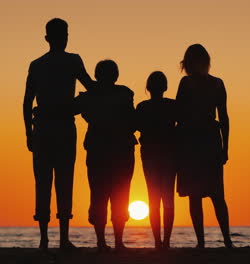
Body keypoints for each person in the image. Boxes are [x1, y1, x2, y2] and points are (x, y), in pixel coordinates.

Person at [23, 18, 96, 250]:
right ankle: (54, 239)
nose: (64, 39)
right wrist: (83, 101)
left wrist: (28, 131)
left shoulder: (38, 64)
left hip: (48, 127)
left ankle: (50, 239)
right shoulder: (70, 61)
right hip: (59, 127)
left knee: (47, 181)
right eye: (63, 35)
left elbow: (27, 101)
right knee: (61, 181)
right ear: (53, 38)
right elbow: (91, 87)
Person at [175, 44, 233, 248]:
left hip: (196, 141)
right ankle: (224, 241)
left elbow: (179, 115)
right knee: (211, 194)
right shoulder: (216, 83)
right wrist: (225, 147)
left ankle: (209, 242)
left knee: (202, 195)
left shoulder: (190, 83)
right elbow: (223, 118)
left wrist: (225, 148)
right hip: (205, 140)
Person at [75, 60, 137, 251]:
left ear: (96, 75)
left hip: (99, 150)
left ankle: (102, 241)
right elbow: (133, 120)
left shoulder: (91, 96)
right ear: (116, 75)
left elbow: (70, 108)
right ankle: (117, 241)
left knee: (99, 195)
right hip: (120, 151)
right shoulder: (125, 94)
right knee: (120, 194)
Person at [136, 72, 177, 249]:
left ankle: (158, 242)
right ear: (165, 87)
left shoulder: (142, 107)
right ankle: (165, 241)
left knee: (153, 197)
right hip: (169, 153)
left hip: (150, 154)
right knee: (168, 198)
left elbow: (135, 126)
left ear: (148, 88)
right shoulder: (172, 105)